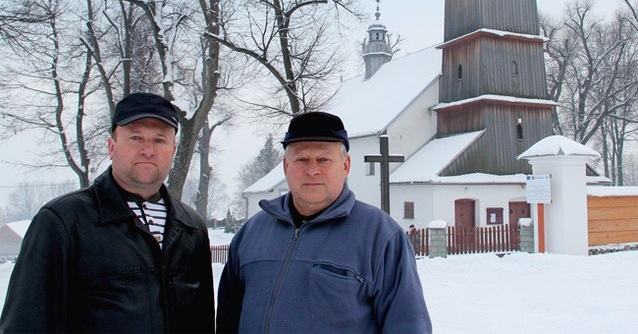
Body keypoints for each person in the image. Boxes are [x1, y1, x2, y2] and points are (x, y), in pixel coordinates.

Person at [0, 92, 216, 333]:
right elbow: (26, 323)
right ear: (111, 146)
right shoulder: (64, 221)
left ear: (173, 150)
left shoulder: (191, 228)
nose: (148, 150)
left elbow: (203, 321)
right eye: (135, 137)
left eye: (159, 140)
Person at [216, 111, 432, 333]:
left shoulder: (381, 237)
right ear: (285, 166)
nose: (312, 170)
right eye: (301, 160)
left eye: (323, 159)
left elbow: (408, 325)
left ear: (346, 165)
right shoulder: (252, 234)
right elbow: (227, 320)